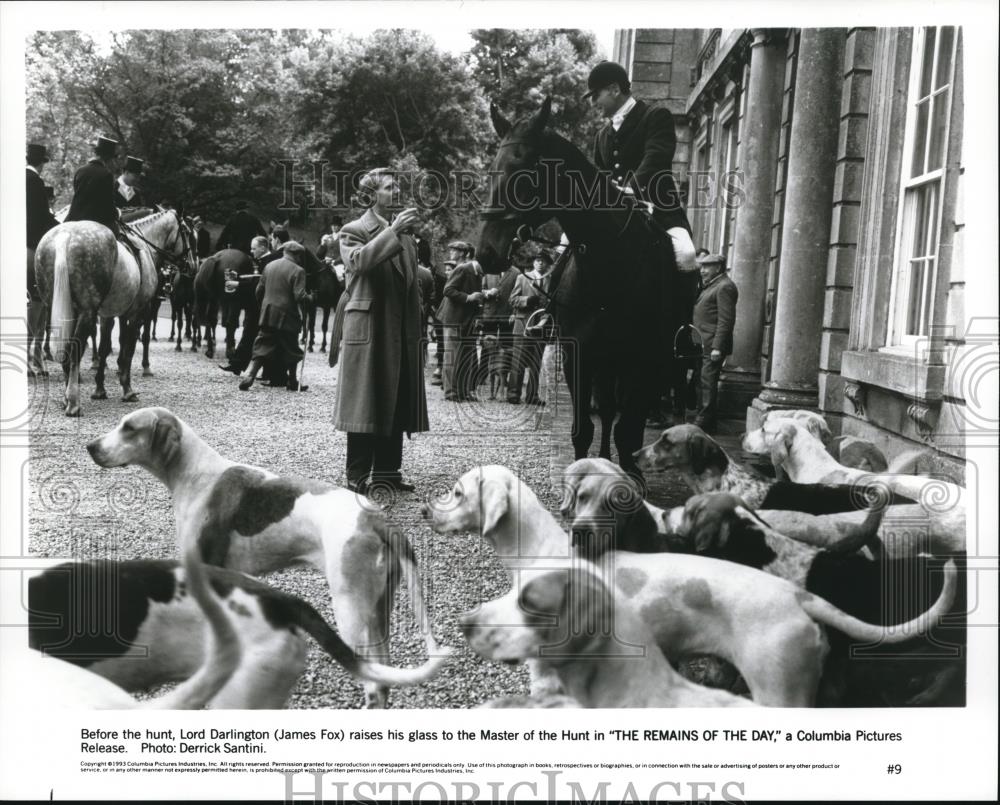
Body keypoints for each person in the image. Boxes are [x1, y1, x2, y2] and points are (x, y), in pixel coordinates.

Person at [333, 168, 428, 494]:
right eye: (389, 187)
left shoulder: (407, 237)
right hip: (370, 328)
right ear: (371, 195)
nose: (397, 191)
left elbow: (412, 285)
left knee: (397, 397)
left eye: (397, 186)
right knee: (365, 401)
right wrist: (393, 231)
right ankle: (357, 474)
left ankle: (388, 471)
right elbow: (358, 262)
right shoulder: (354, 230)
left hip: (400, 329)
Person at [238, 241, 312, 392]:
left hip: (268, 312)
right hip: (288, 315)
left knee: (263, 344)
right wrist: (311, 298)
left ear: (284, 252)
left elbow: (259, 290)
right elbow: (299, 296)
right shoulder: (298, 270)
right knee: (291, 347)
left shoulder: (269, 266)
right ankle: (292, 381)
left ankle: (250, 375)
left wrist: (264, 305)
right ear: (297, 255)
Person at [691, 253, 738, 434]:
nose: (702, 271)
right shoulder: (713, 285)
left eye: (706, 267)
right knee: (701, 381)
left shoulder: (725, 286)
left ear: (718, 268)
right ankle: (707, 421)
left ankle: (703, 420)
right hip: (703, 343)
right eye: (701, 267)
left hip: (712, 345)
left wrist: (718, 347)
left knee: (707, 383)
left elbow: (726, 321)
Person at [436, 241, 484, 402]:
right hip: (455, 318)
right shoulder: (470, 268)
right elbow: (448, 291)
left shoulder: (464, 268)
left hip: (458, 318)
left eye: (454, 250)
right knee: (455, 356)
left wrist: (471, 298)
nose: (451, 253)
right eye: (451, 250)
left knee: (460, 356)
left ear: (463, 253)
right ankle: (452, 392)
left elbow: (448, 289)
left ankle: (457, 391)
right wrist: (469, 298)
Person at [26, 143, 59, 377]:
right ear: (42, 163)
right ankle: (32, 358)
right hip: (31, 244)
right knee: (38, 302)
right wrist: (61, 226)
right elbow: (41, 217)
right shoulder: (35, 181)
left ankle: (35, 357)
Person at [508, 250, 553, 405]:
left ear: (547, 264)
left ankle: (532, 396)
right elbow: (512, 300)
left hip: (541, 326)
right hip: (523, 324)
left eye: (543, 261)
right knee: (518, 361)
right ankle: (513, 394)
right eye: (537, 260)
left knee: (536, 363)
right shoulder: (523, 277)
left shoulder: (550, 280)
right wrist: (527, 300)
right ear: (533, 262)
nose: (540, 263)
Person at [65, 135, 120, 233]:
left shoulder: (80, 171)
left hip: (73, 218)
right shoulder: (106, 174)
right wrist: (117, 213)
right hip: (95, 221)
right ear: (109, 158)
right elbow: (108, 204)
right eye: (113, 159)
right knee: (117, 233)